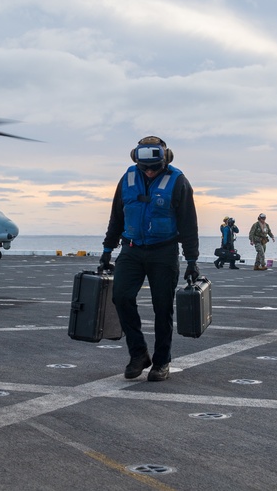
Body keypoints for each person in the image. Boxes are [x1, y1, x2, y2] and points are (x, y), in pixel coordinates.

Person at [100, 136, 200, 382]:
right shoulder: (128, 179)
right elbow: (117, 217)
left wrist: (191, 260)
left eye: (155, 167)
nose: (150, 171)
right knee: (121, 297)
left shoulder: (178, 181)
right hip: (131, 250)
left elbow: (189, 224)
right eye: (145, 167)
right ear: (137, 160)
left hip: (164, 252)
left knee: (162, 308)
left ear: (166, 159)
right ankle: (138, 354)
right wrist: (106, 250)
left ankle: (161, 361)